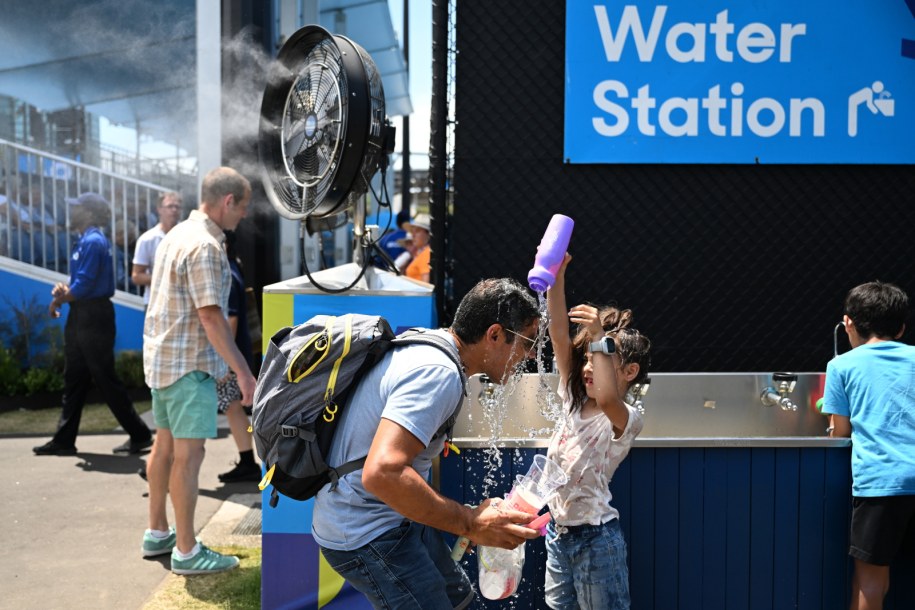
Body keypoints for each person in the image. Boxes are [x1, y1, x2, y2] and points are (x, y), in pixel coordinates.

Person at [314, 278, 543, 609]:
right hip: (369, 532)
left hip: (393, 519)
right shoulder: (438, 374)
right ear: (494, 335)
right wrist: (471, 522)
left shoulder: (433, 346)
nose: (532, 354)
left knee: (462, 602)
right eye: (527, 342)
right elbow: (382, 473)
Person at [140, 167, 256, 575]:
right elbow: (211, 316)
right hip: (189, 366)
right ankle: (187, 551)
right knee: (189, 457)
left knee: (164, 448)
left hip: (164, 361)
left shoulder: (174, 236)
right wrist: (242, 371)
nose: (241, 216)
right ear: (227, 202)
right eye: (241, 208)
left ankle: (157, 532)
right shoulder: (206, 245)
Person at [544, 253, 651, 610]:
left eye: (601, 358)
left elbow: (606, 395)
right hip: (556, 536)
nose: (589, 366)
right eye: (587, 357)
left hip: (595, 538)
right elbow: (559, 334)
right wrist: (556, 276)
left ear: (630, 371)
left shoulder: (624, 417)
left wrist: (600, 336)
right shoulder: (572, 400)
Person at [33, 192, 154, 456]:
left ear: (88, 213)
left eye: (76, 207)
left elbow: (86, 285)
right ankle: (64, 440)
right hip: (84, 314)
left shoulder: (93, 241)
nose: (71, 210)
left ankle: (141, 434)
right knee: (74, 377)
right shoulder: (87, 241)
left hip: (92, 316)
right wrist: (65, 290)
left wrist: (58, 301)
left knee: (104, 378)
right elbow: (81, 284)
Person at [821, 281, 915, 610]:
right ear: (902, 327)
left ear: (848, 323)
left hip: (881, 484)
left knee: (870, 582)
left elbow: (839, 432)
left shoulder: (841, 366)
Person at [216, 229, 260, 483]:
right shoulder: (234, 269)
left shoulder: (228, 275)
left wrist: (225, 359)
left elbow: (230, 321)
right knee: (233, 408)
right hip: (235, 354)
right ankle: (246, 461)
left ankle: (247, 462)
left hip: (230, 356)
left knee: (232, 408)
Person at [131, 191, 182, 306]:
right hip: (155, 303)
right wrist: (166, 278)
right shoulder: (148, 239)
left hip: (181, 304)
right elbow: (136, 276)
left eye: (177, 207)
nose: (174, 210)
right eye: (170, 206)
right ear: (159, 209)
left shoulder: (188, 236)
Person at [404, 213, 431, 282]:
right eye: (413, 231)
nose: (413, 235)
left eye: (417, 231)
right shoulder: (421, 253)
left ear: (428, 234)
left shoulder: (426, 253)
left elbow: (426, 286)